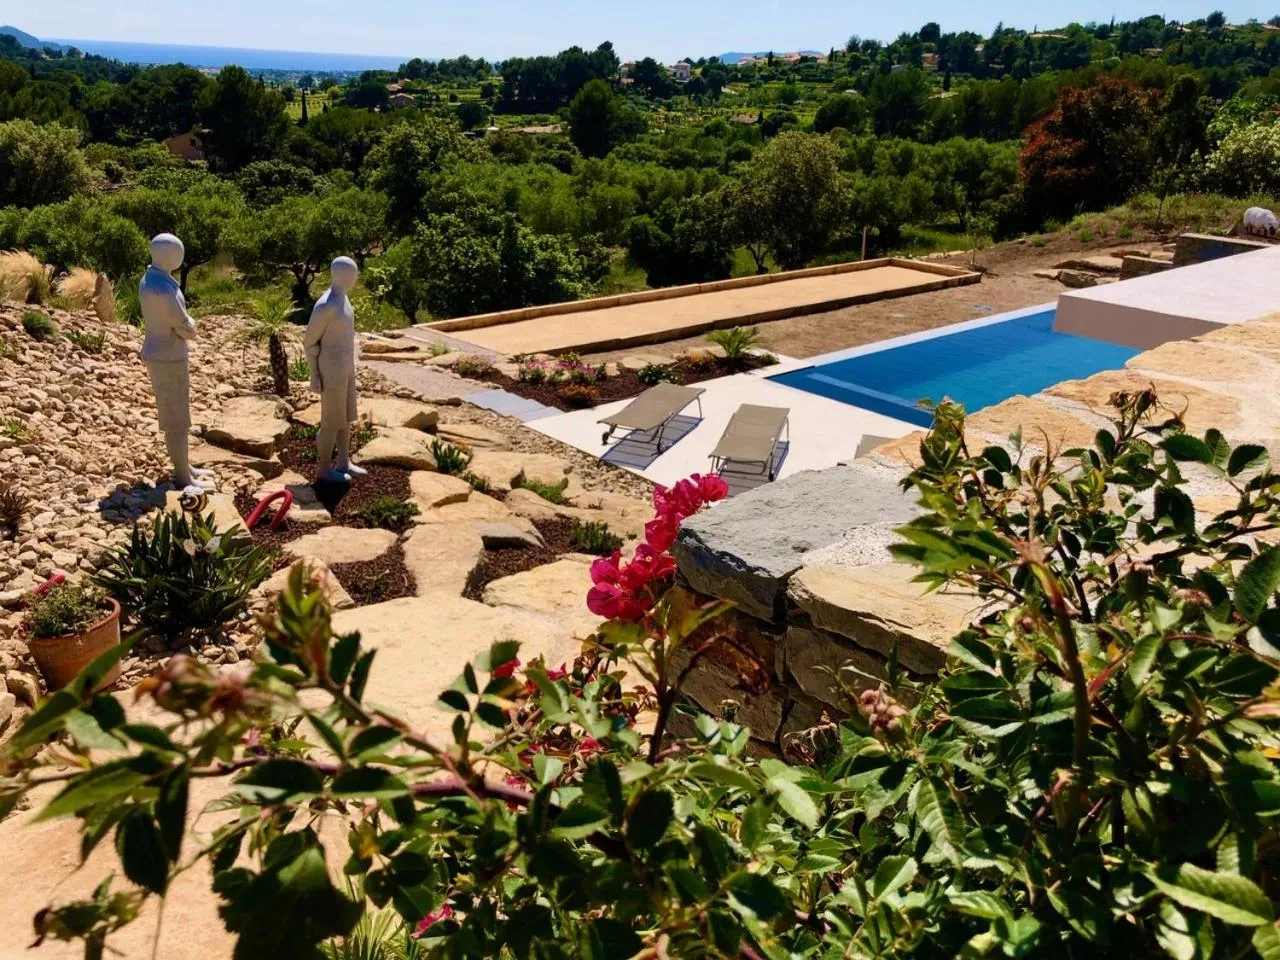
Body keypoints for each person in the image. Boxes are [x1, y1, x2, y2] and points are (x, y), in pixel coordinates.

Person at [139, 233, 214, 492]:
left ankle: (185, 466)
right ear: (171, 255)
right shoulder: (161, 289)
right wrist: (192, 324)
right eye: (178, 251)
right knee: (177, 419)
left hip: (164, 352)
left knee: (177, 415)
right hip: (168, 356)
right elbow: (185, 327)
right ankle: (183, 477)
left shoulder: (153, 279)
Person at [303, 256, 365, 483]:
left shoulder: (344, 299)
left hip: (346, 365)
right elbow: (309, 342)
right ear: (341, 274)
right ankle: (324, 469)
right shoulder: (326, 305)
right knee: (330, 420)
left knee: (345, 417)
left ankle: (344, 461)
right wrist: (314, 374)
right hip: (331, 367)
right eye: (352, 273)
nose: (355, 277)